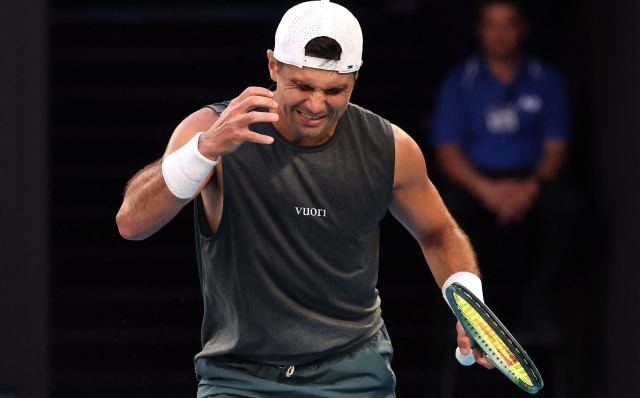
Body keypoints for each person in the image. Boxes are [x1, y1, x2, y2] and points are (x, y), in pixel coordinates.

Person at [116, 1, 491, 396]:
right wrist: (205, 149)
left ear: (356, 78)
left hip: (354, 374)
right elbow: (132, 224)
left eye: (334, 91)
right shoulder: (210, 130)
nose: (316, 105)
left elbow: (439, 232)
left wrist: (471, 308)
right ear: (273, 66)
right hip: (239, 377)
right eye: (303, 86)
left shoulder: (392, 148)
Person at [431, 0, 582, 335]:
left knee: (568, 209)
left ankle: (539, 304)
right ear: (480, 30)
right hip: (476, 182)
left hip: (531, 180)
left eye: (508, 23)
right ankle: (461, 313)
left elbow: (556, 147)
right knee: (441, 217)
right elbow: (447, 152)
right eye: (491, 24)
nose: (500, 34)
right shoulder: (460, 81)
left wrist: (529, 187)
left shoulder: (546, 79)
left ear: (522, 28)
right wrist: (490, 191)